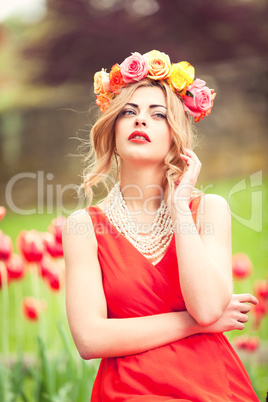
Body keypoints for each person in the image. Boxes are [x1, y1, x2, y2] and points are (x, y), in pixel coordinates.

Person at [62, 50, 260, 401]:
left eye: (158, 115)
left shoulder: (209, 210)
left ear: (175, 135)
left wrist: (180, 208)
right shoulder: (83, 227)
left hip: (212, 387)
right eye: (129, 112)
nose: (141, 121)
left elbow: (209, 307)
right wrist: (194, 324)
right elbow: (90, 340)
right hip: (127, 391)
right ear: (113, 128)